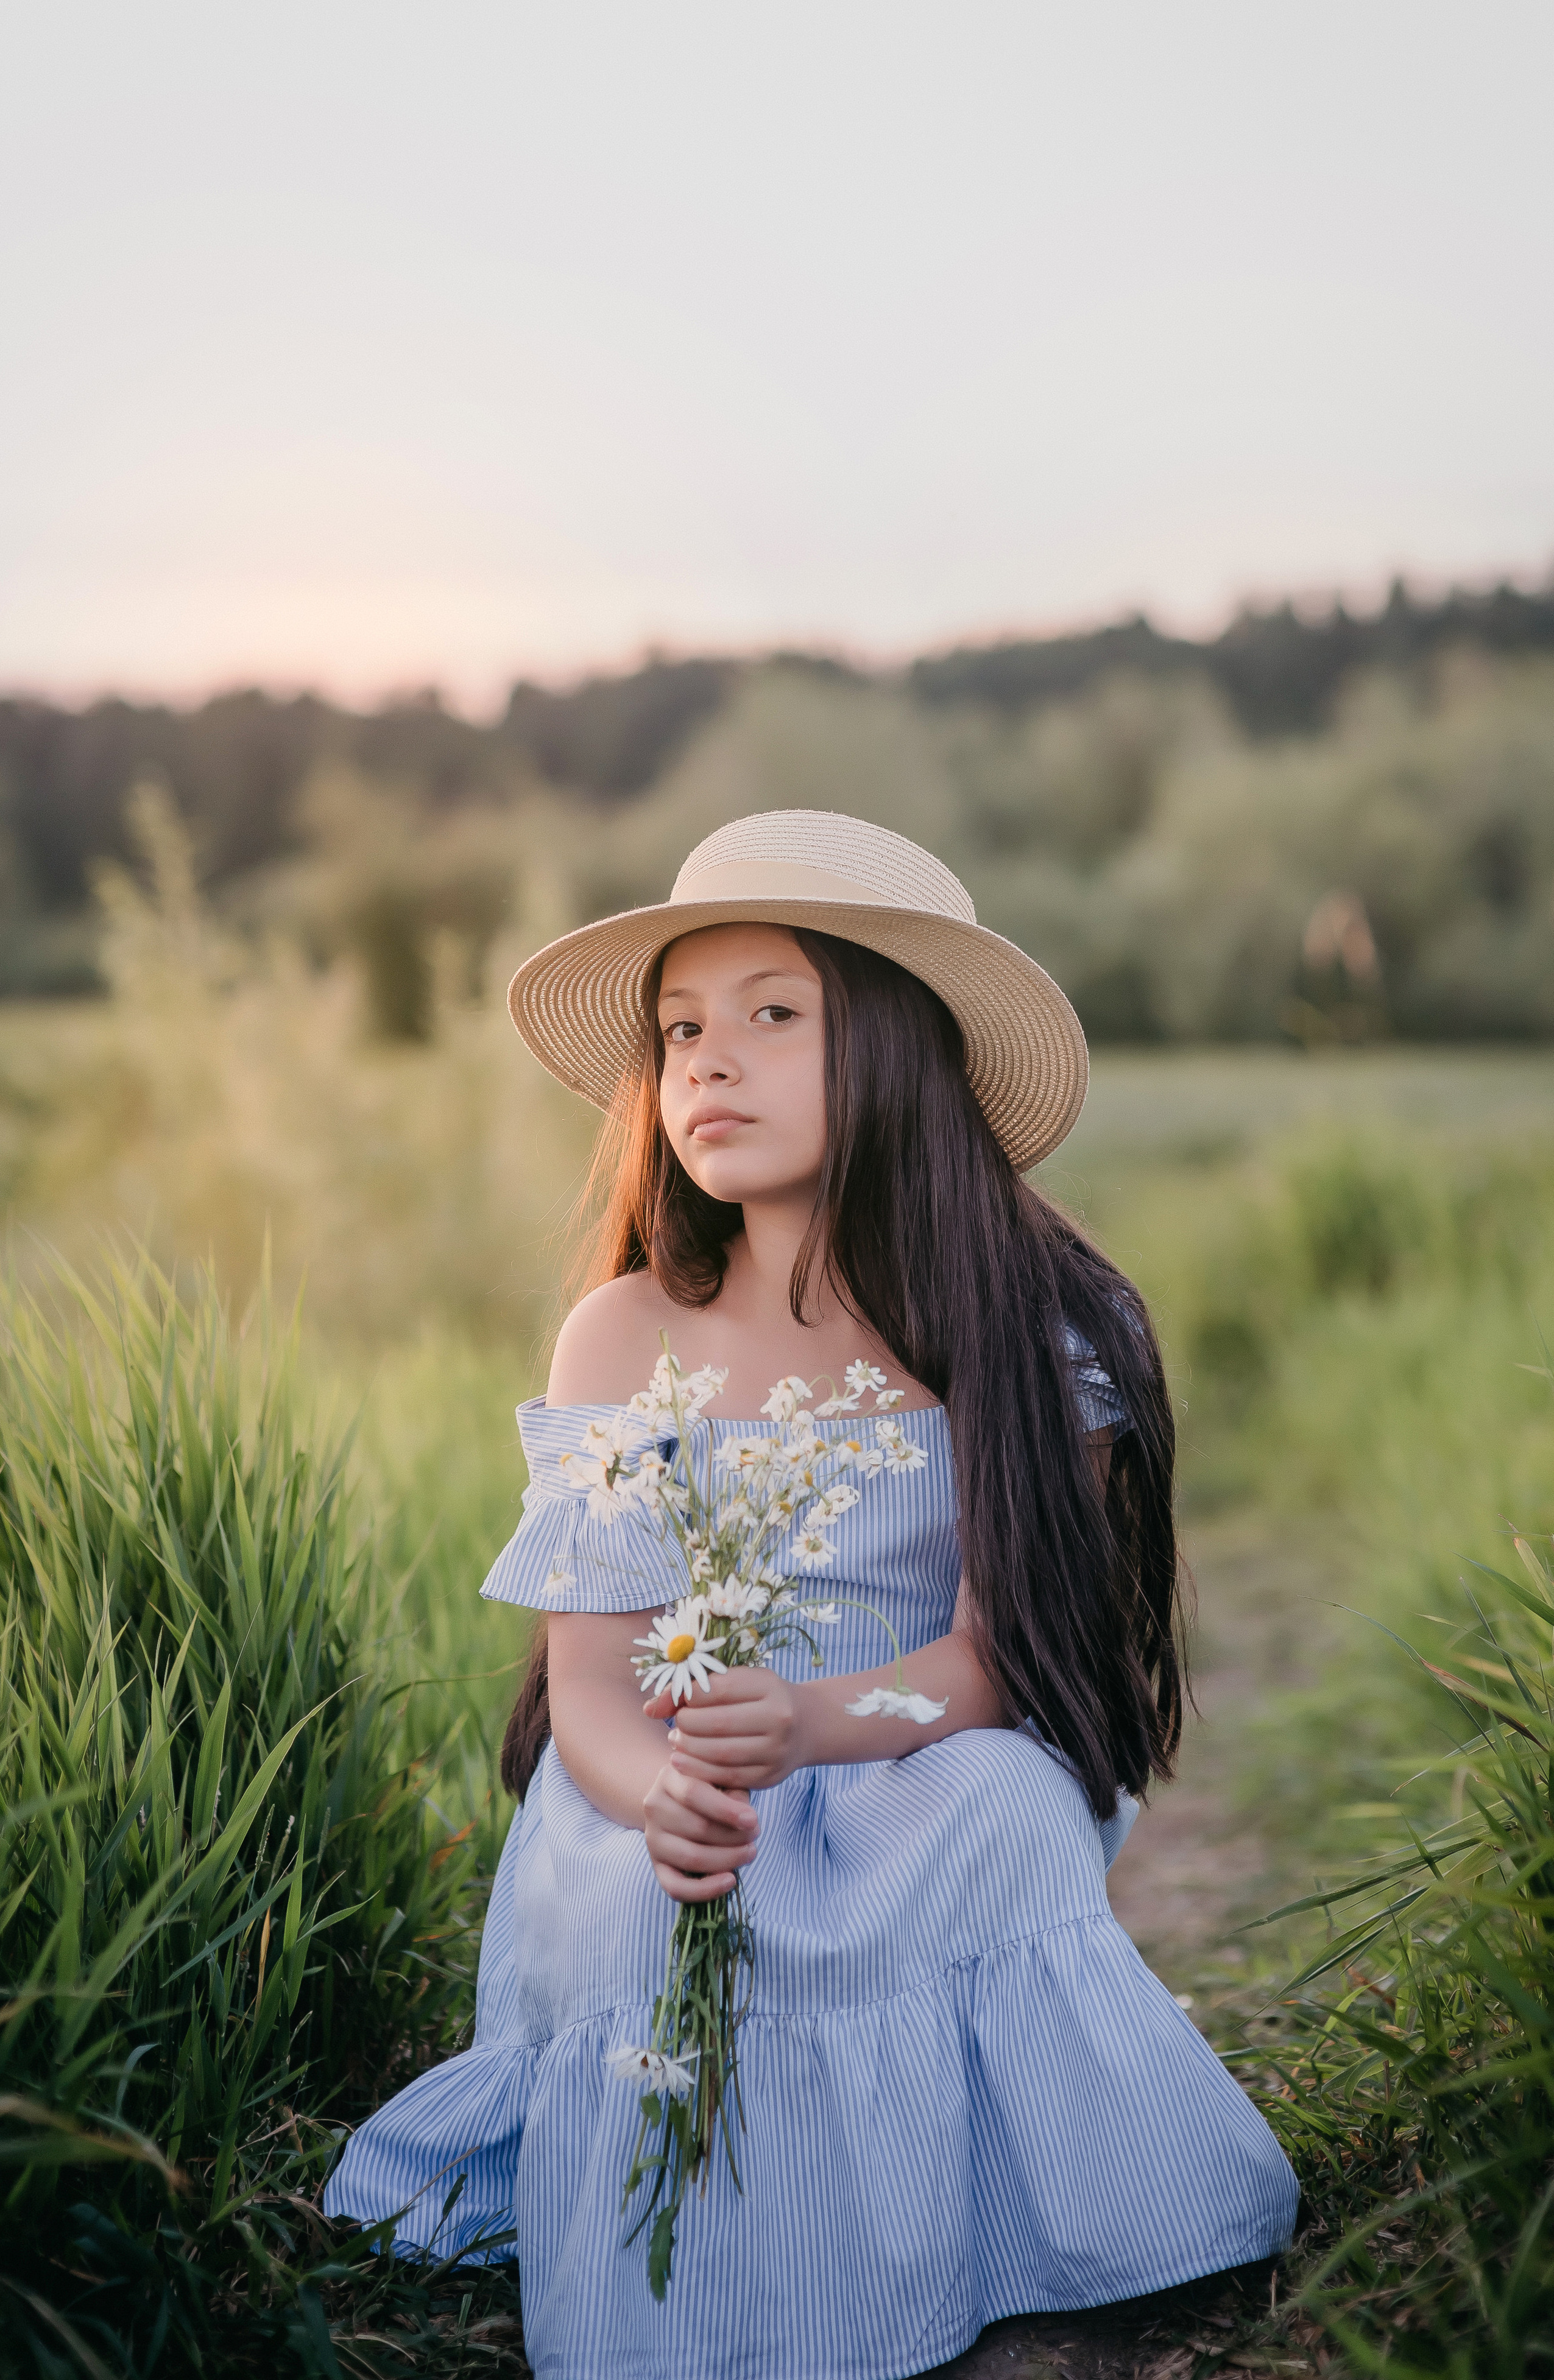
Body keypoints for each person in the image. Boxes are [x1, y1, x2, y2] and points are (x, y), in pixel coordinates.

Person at [327, 809, 1298, 2379]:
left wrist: (821, 1722)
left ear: (902, 1049)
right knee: (650, 1905)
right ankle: (710, 2289)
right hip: (678, 1767)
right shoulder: (623, 1334)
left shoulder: (1026, 1328)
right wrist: (660, 1798)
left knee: (1005, 1812)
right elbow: (591, 1691)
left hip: (912, 1741)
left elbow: (995, 1659)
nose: (710, 1061)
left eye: (775, 1014)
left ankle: (1007, 2227)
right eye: (681, 1030)